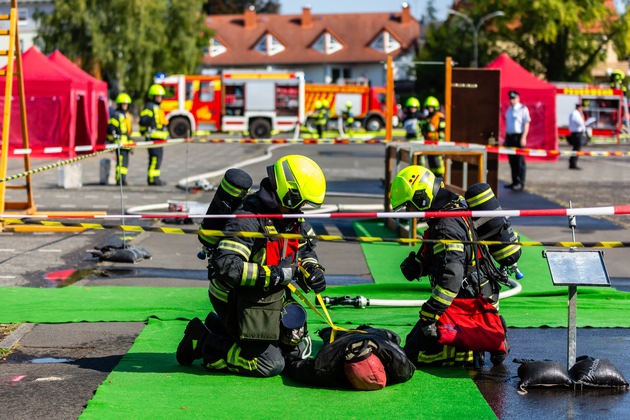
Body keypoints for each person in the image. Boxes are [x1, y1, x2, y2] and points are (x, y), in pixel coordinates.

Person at [176, 155, 328, 378]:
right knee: (271, 364)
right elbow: (227, 265)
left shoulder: (289, 216)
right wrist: (274, 276)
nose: (303, 208)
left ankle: (220, 328)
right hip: (235, 297)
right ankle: (203, 342)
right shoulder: (248, 217)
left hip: (267, 296)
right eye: (302, 201)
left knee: (293, 347)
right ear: (290, 192)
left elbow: (304, 249)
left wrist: (312, 270)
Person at [389, 165, 508, 367]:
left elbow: (451, 278)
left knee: (414, 354)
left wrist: (429, 314)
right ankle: (492, 332)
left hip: (468, 301)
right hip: (480, 293)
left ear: (421, 198)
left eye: (409, 206)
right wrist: (417, 266)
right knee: (413, 346)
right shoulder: (452, 206)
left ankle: (471, 350)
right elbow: (443, 257)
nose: (410, 212)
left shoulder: (445, 226)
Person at [283, 325, 415, 390]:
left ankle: (334, 330)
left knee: (394, 337)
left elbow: (299, 368)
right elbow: (299, 368)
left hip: (371, 336)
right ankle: (329, 331)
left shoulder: (325, 365)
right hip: (347, 340)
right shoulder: (326, 364)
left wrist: (287, 358)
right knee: (329, 333)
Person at [139, 84, 169, 186]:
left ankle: (155, 178)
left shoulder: (157, 107)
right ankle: (152, 179)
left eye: (160, 96)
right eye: (157, 96)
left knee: (158, 158)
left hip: (159, 138)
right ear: (152, 96)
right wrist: (149, 125)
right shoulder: (149, 106)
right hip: (153, 137)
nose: (159, 98)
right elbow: (143, 120)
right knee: (155, 158)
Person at [504, 90, 530, 191]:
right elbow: (508, 125)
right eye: (510, 98)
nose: (512, 100)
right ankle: (514, 181)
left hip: (518, 137)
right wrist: (506, 138)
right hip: (510, 137)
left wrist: (524, 137)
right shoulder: (509, 110)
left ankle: (520, 182)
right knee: (512, 161)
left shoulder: (523, 109)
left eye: (513, 98)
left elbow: (526, 123)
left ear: (518, 98)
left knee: (520, 161)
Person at [106, 93, 133, 186]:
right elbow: (110, 128)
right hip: (120, 143)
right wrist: (113, 140)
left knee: (125, 163)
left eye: (126, 104)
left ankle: (123, 179)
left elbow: (129, 132)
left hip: (126, 143)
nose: (125, 106)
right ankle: (120, 180)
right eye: (123, 104)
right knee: (121, 163)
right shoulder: (116, 115)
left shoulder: (127, 115)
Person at [418, 96, 446, 177]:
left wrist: (439, 142)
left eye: (431, 107)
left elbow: (442, 130)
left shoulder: (440, 117)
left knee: (438, 162)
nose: (430, 109)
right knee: (431, 161)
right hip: (428, 143)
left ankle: (440, 177)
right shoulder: (426, 118)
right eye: (428, 107)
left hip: (437, 144)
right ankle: (433, 177)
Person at [568, 103, 586, 170]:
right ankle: (573, 164)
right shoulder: (576, 114)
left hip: (576, 132)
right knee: (577, 149)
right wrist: (582, 117)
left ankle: (572, 162)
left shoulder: (575, 113)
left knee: (576, 148)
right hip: (577, 133)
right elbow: (580, 123)